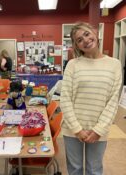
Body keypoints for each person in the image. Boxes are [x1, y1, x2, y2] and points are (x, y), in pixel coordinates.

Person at [60, 22, 122, 175]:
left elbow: (113, 101)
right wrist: (77, 129)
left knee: (94, 170)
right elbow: (65, 98)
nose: (85, 40)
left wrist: (99, 130)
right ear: (77, 46)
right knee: (75, 169)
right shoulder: (73, 65)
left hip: (99, 130)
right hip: (72, 129)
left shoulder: (114, 64)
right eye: (79, 40)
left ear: (94, 33)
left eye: (87, 34)